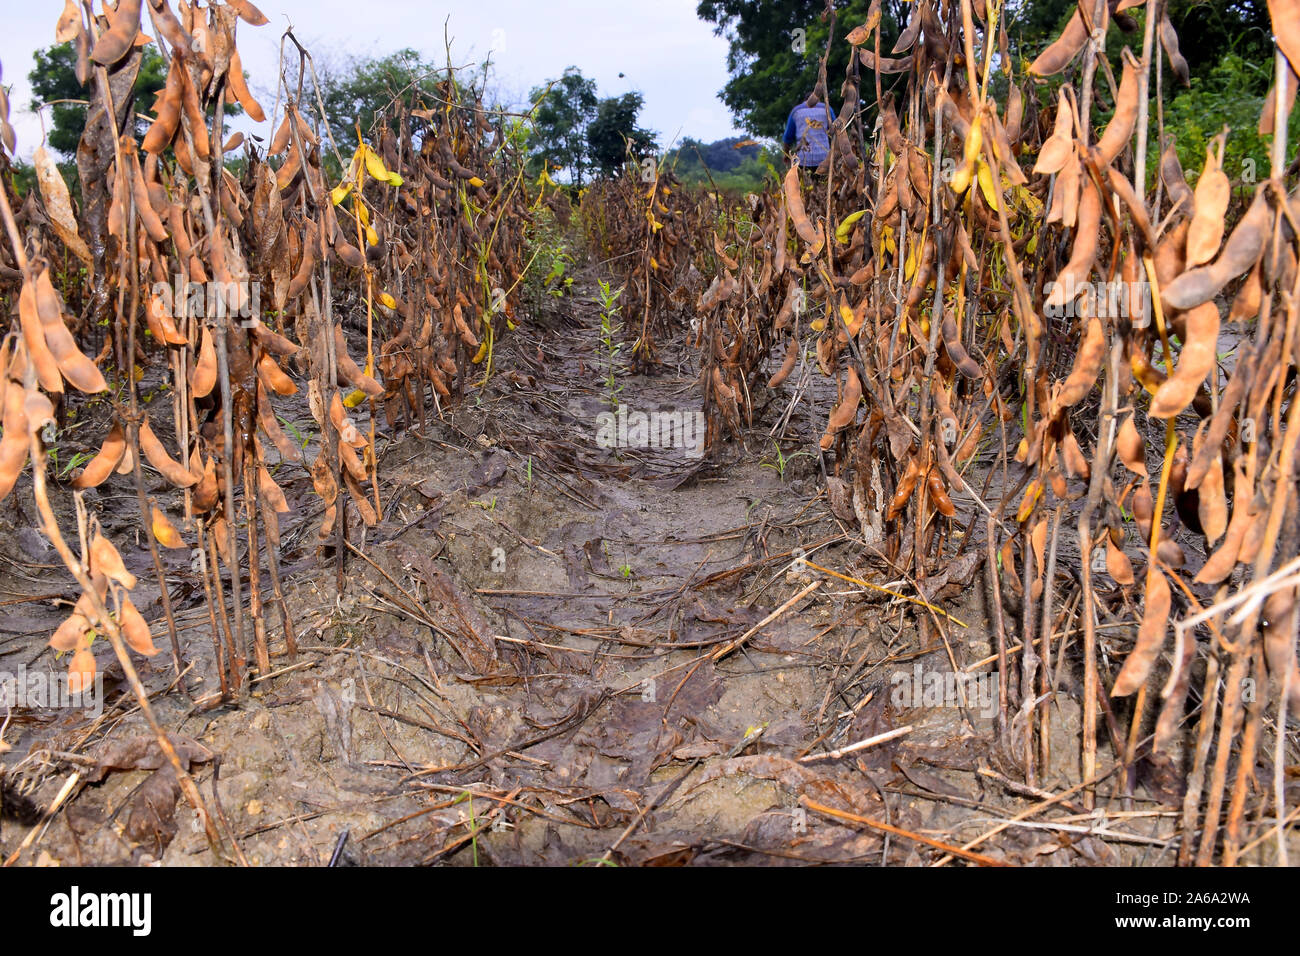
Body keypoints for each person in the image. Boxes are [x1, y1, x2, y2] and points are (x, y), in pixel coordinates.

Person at [783, 91, 837, 168]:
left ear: (805, 100)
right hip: (824, 157)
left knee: (803, 179)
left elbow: (787, 138)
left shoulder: (796, 111)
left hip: (802, 159)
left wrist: (786, 154)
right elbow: (836, 131)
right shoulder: (827, 108)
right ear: (818, 99)